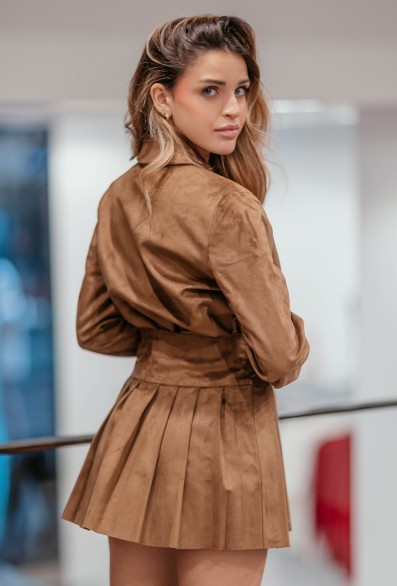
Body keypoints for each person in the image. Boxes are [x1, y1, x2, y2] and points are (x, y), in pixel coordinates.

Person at [60, 13, 310, 586]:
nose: (234, 109)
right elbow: (277, 358)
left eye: (241, 90)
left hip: (141, 425)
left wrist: (169, 344)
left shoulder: (120, 194)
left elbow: (95, 329)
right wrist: (279, 336)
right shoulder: (230, 205)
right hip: (226, 430)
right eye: (211, 91)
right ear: (162, 98)